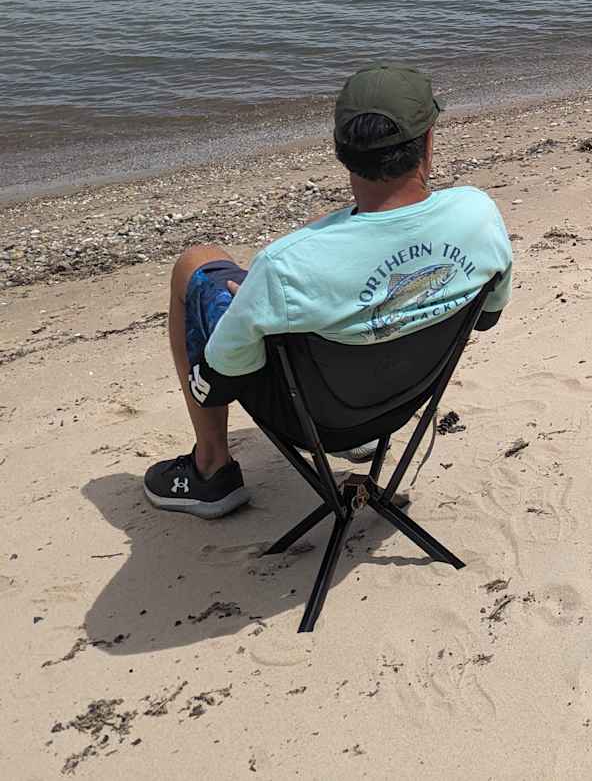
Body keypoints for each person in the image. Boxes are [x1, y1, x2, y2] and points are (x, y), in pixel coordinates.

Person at [144, 63, 513, 518]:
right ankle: (358, 434)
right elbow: (487, 316)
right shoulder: (479, 214)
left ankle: (210, 468)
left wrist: (248, 308)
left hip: (318, 419)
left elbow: (220, 375)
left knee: (194, 264)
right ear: (429, 142)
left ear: (339, 151)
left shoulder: (287, 264)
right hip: (400, 401)